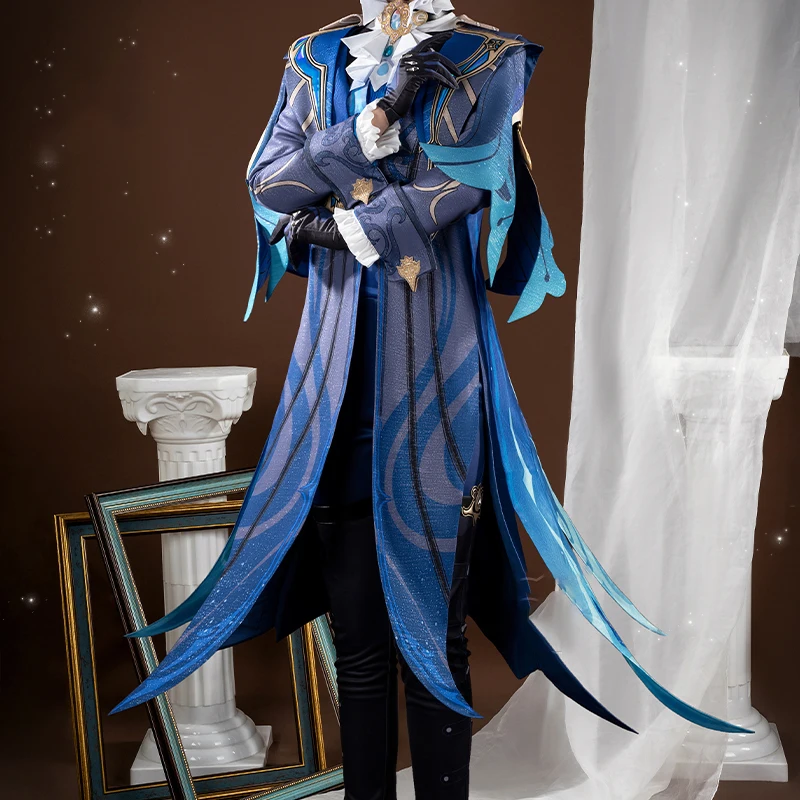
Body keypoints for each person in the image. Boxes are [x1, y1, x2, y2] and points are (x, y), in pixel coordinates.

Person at [112, 3, 749, 798]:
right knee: (358, 641)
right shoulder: (314, 55)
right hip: (332, 387)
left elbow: (466, 181)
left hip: (437, 380)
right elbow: (269, 185)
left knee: (434, 639)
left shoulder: (487, 57)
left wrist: (339, 222)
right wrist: (377, 118)